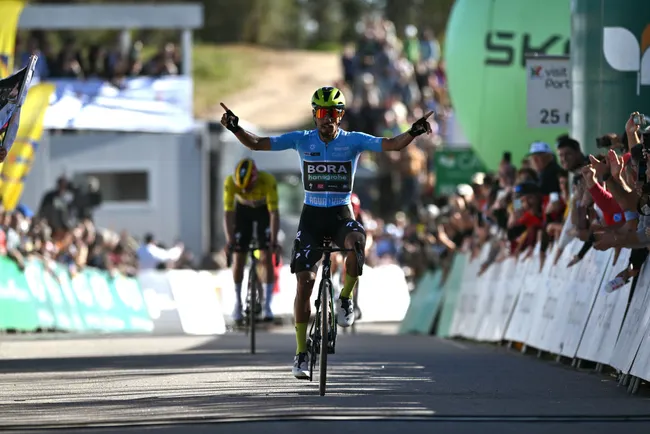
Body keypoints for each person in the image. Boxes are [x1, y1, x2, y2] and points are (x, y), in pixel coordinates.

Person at [220, 85, 433, 379]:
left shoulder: (354, 141)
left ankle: (345, 297)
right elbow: (256, 144)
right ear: (314, 115)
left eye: (332, 113)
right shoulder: (301, 140)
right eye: (321, 113)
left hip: (340, 215)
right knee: (304, 283)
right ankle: (300, 353)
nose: (326, 119)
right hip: (311, 217)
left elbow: (393, 145)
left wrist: (415, 131)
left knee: (357, 243)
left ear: (341, 116)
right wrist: (235, 127)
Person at [223, 158, 280, 322]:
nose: (246, 191)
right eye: (242, 188)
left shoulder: (267, 180)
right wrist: (230, 240)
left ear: (255, 179)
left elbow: (274, 214)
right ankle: (238, 304)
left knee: (266, 255)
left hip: (263, 211)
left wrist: (274, 241)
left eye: (248, 187)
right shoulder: (230, 182)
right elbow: (228, 213)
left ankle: (267, 306)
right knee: (239, 257)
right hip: (243, 213)